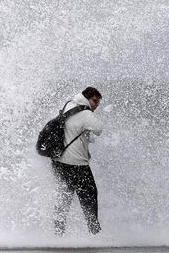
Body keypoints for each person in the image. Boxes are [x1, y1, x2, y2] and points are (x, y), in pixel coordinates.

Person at [51, 86, 103, 236]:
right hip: (76, 164)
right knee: (89, 196)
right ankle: (94, 233)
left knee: (65, 195)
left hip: (58, 161)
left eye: (98, 102)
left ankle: (57, 233)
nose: (96, 105)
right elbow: (99, 129)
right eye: (94, 101)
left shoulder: (69, 104)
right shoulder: (86, 113)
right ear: (87, 98)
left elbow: (71, 128)